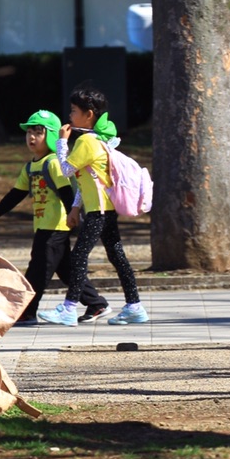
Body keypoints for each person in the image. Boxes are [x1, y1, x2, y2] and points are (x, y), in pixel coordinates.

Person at [0, 109, 107, 324]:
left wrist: (74, 218)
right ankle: (96, 304)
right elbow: (16, 194)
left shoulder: (54, 163)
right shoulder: (30, 166)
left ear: (53, 136)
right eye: (29, 132)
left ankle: (27, 311)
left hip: (56, 226)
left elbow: (68, 193)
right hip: (44, 225)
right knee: (65, 270)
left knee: (39, 269)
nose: (32, 137)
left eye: (38, 132)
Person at [42, 87, 150, 326]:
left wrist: (61, 142)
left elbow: (67, 169)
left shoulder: (88, 142)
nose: (70, 115)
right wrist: (75, 207)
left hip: (99, 212)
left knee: (79, 256)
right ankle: (135, 306)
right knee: (116, 256)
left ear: (88, 114)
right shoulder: (95, 141)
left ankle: (69, 309)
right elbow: (86, 180)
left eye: (73, 111)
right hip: (102, 209)